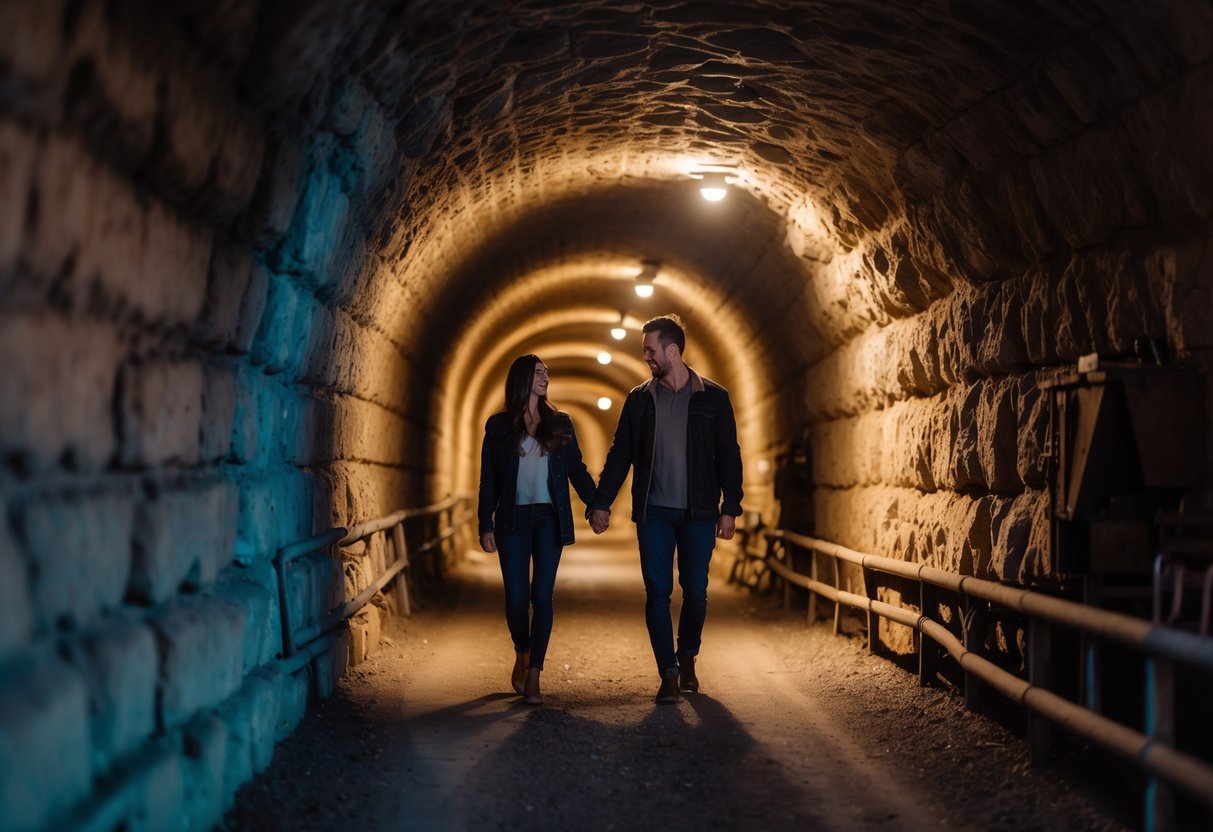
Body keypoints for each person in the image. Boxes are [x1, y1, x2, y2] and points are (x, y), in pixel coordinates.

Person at [588, 314, 743, 704]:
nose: (646, 358)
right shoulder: (639, 400)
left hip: (699, 513)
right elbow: (620, 453)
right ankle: (669, 673)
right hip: (653, 513)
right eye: (645, 351)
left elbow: (728, 455)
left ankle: (687, 655)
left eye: (651, 350)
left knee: (696, 592)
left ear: (673, 351)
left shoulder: (714, 398)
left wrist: (731, 507)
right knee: (657, 593)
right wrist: (601, 502)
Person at [478, 355, 597, 705]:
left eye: (547, 372)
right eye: (539, 373)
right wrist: (486, 522)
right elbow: (490, 479)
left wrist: (595, 505)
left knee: (542, 596)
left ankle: (535, 674)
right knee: (516, 599)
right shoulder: (499, 426)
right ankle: (522, 649)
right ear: (522, 379)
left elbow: (576, 469)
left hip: (549, 518)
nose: (546, 377)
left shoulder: (560, 422)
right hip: (511, 519)